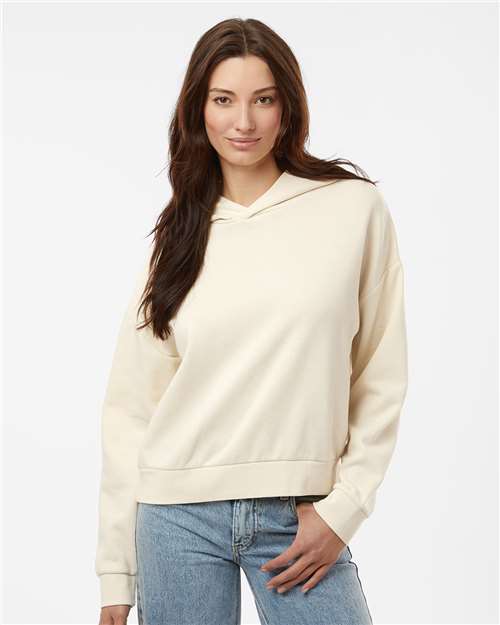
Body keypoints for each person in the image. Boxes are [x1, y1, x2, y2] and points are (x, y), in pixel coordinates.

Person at [95, 17, 408, 625]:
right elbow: (131, 409)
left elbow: (380, 373)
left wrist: (343, 509)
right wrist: (116, 573)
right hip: (174, 519)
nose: (243, 121)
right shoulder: (178, 236)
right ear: (198, 110)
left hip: (300, 516)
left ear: (288, 108)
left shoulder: (351, 207)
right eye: (223, 100)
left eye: (263, 99)